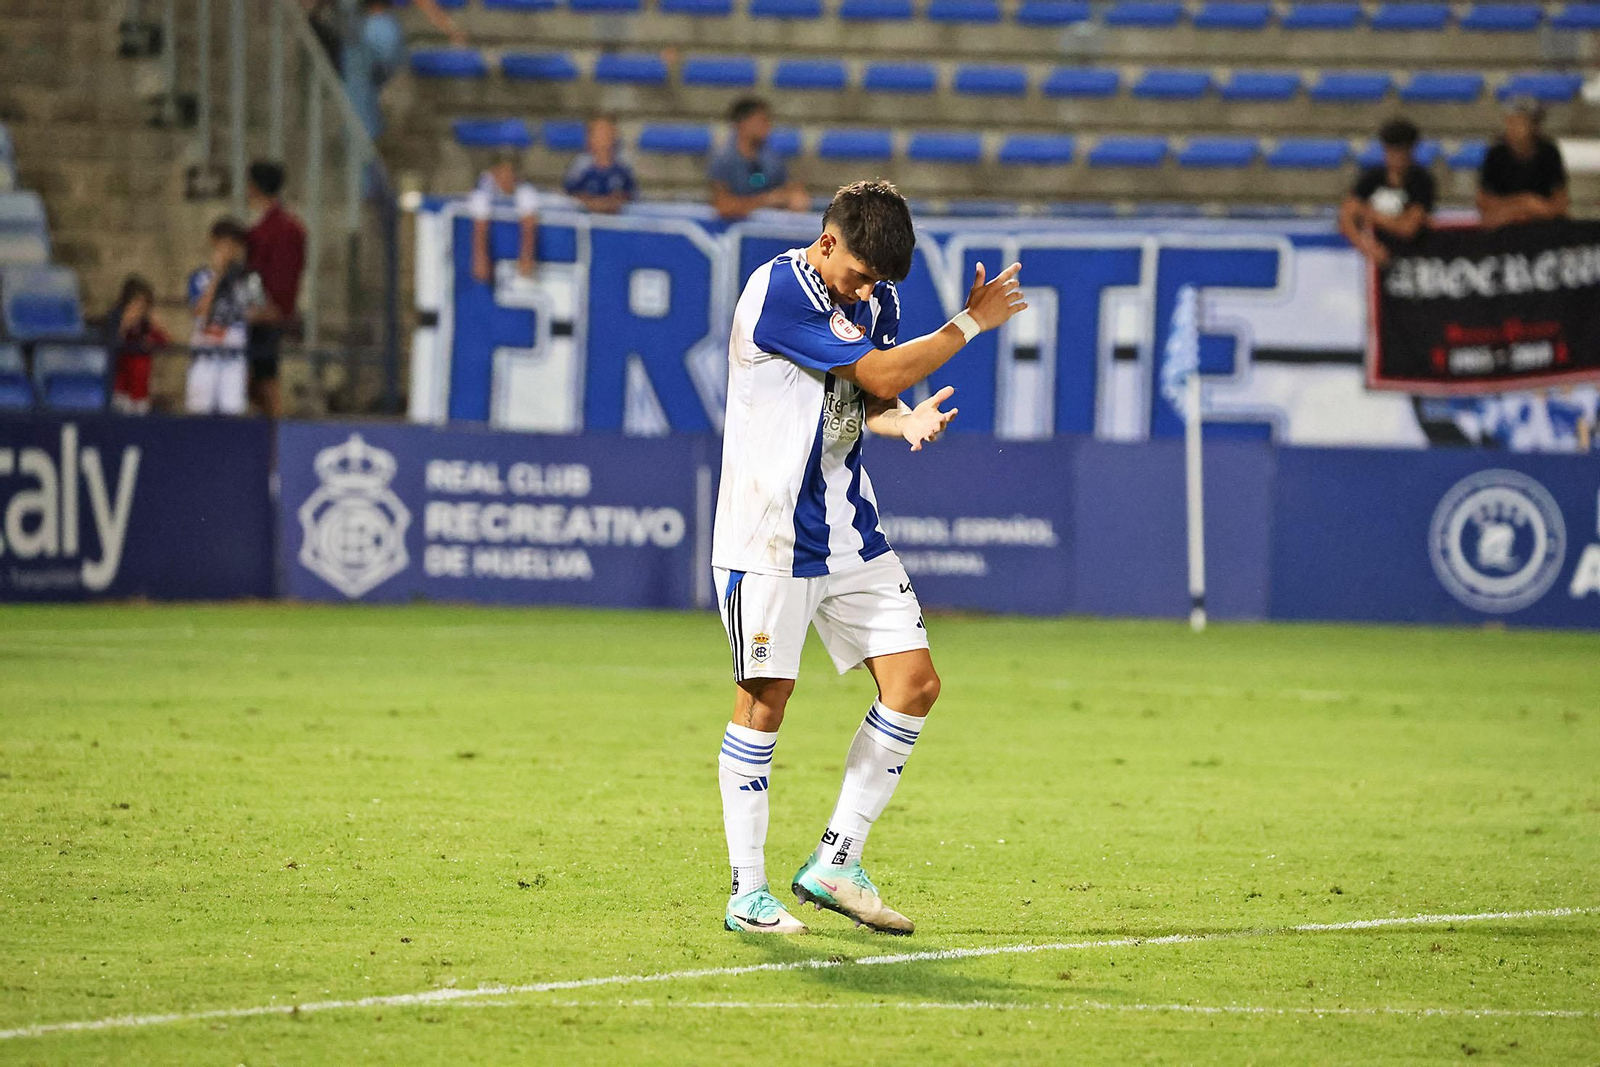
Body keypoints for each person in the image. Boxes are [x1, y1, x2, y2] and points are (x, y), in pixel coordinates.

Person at [712, 179, 1026, 935]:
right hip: (769, 533)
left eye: (879, 281)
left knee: (914, 683)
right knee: (766, 700)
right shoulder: (778, 291)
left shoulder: (873, 299)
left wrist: (902, 422)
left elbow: (866, 394)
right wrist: (968, 325)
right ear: (826, 243)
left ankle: (836, 860)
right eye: (858, 273)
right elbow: (879, 370)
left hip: (849, 525)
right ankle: (747, 893)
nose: (867, 290)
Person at [341, 0, 465, 140]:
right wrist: (449, 27)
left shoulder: (379, 29)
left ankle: (369, 134)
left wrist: (448, 27)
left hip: (371, 34)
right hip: (367, 35)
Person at [245, 161, 306, 419]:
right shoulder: (270, 225)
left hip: (267, 315)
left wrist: (276, 308)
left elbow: (282, 274)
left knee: (266, 378)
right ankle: (266, 429)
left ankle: (278, 432)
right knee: (254, 378)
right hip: (260, 310)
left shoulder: (282, 229)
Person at [187, 219, 264, 416]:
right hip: (204, 356)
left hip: (233, 358)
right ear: (214, 243)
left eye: (234, 246)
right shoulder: (199, 277)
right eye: (224, 244)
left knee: (232, 413)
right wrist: (218, 275)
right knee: (198, 413)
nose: (229, 251)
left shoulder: (249, 279)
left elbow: (258, 312)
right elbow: (200, 312)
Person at [1338, 118, 1436, 267]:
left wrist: (1372, 215)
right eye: (1391, 151)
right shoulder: (1372, 178)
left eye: (1400, 152)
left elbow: (1409, 228)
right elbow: (1346, 217)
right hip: (1373, 257)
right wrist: (1367, 247)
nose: (1396, 158)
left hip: (1411, 259)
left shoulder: (1421, 181)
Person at [709, 97, 808, 221]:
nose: (768, 126)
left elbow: (789, 188)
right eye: (762, 121)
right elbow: (723, 206)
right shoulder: (724, 159)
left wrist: (795, 197)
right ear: (743, 123)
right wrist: (765, 201)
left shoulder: (772, 156)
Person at [1477, 99, 1570, 228]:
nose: (1513, 128)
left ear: (1533, 125)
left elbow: (1560, 202)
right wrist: (1518, 205)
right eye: (1510, 121)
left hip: (1543, 224)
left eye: (1519, 122)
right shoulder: (1496, 153)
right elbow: (1483, 199)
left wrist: (1536, 208)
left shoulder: (1549, 153)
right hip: (1504, 224)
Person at [469, 153, 540, 284]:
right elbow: (480, 224)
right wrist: (480, 258)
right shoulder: (483, 188)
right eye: (502, 174)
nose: (507, 179)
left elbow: (529, 225)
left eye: (510, 174)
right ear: (494, 173)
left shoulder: (525, 189)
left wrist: (527, 257)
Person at [105, 275, 169, 415]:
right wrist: (124, 326)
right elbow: (111, 348)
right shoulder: (114, 319)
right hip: (120, 391)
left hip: (141, 395)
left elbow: (165, 342)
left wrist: (154, 325)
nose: (139, 310)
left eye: (143, 305)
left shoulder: (146, 325)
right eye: (136, 304)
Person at [562, 116, 638, 214]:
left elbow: (629, 194)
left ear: (614, 136)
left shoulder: (624, 165)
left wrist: (612, 203)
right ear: (589, 139)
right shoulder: (580, 166)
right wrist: (593, 204)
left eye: (606, 134)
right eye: (598, 134)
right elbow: (572, 194)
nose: (602, 139)